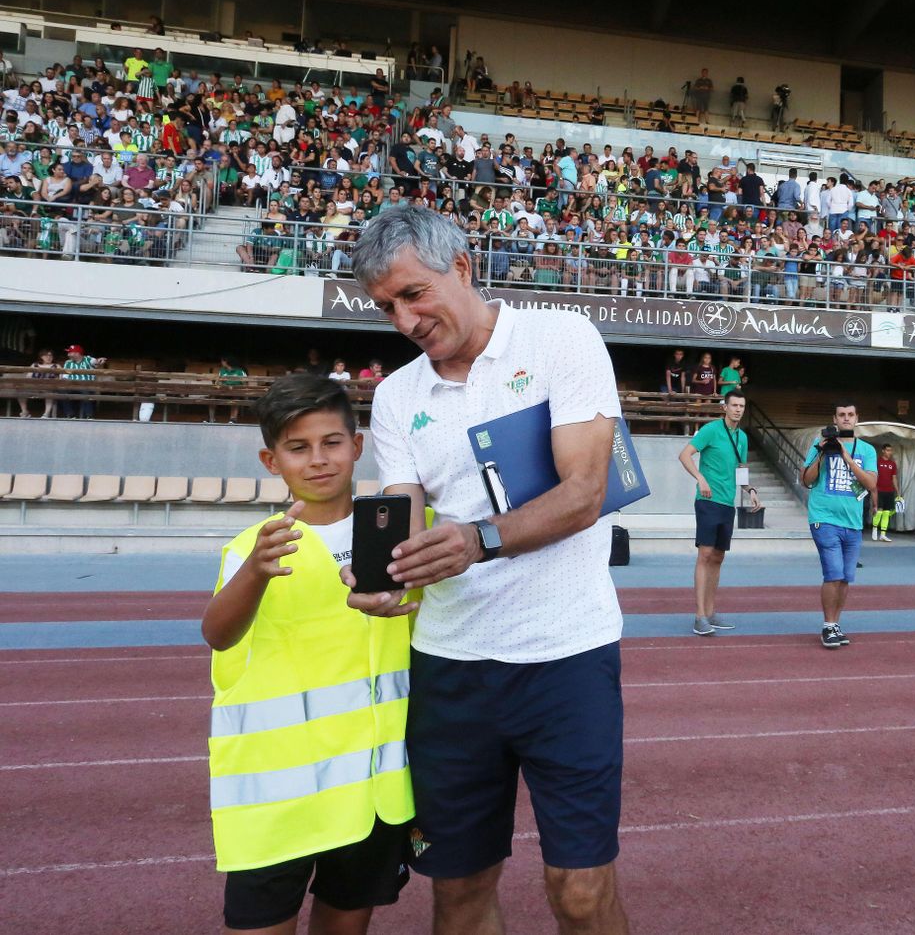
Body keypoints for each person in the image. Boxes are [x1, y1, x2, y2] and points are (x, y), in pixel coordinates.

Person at [343, 206, 632, 934]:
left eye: (414, 295)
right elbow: (404, 518)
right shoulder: (397, 395)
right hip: (450, 669)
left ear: (463, 267)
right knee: (459, 893)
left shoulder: (562, 338)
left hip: (566, 659)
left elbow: (585, 493)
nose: (405, 320)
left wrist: (478, 541)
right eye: (386, 307)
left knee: (580, 892)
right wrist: (387, 577)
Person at [201, 374, 415, 935]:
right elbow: (218, 634)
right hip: (276, 800)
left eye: (331, 442)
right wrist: (255, 572)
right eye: (298, 448)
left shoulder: (403, 533)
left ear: (358, 446)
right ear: (271, 461)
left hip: (372, 794)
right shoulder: (253, 549)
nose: (318, 459)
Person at [801, 402, 877, 648]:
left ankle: (835, 624)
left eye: (850, 414)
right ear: (834, 419)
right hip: (824, 518)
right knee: (833, 573)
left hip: (852, 522)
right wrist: (822, 453)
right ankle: (828, 625)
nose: (846, 418)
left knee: (845, 577)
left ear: (857, 418)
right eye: (841, 415)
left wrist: (847, 457)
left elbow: (871, 484)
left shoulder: (866, 450)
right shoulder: (819, 445)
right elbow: (806, 480)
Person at [678, 390, 748, 635]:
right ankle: (699, 616)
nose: (738, 409)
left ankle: (710, 612)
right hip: (708, 500)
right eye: (734, 405)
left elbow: (741, 469)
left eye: (741, 406)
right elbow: (684, 455)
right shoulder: (710, 430)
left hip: (728, 503)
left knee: (718, 557)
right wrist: (700, 478)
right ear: (724, 407)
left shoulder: (742, 437)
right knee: (705, 554)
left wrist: (749, 489)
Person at [870, 443, 899, 542]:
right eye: (887, 450)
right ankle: (874, 529)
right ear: (883, 451)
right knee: (879, 511)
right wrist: (872, 487)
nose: (889, 452)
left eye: (890, 450)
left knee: (886, 513)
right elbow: (873, 475)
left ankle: (883, 534)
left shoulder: (892, 464)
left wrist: (897, 491)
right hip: (879, 490)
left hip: (889, 491)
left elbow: (894, 478)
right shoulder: (877, 462)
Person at [22, 347, 58, 419]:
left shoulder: (56, 366)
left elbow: (60, 378)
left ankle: (46, 414)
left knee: (50, 392)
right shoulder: (34, 365)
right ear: (41, 357)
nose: (49, 357)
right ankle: (25, 412)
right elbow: (28, 377)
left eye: (50, 355)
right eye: (46, 355)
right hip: (34, 387)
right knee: (21, 391)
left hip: (49, 387)